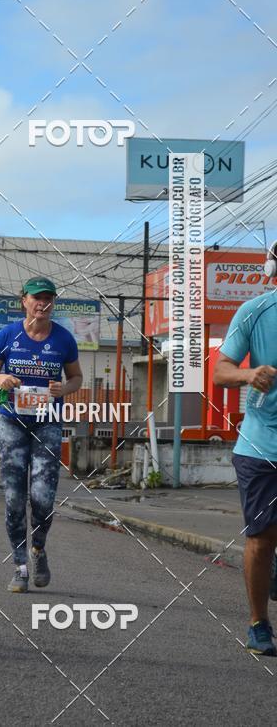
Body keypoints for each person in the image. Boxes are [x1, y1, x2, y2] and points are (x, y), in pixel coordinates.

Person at [0, 277, 83, 592]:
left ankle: (38, 547)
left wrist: (64, 387)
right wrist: (1, 379)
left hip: (47, 421)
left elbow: (76, 377)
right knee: (14, 498)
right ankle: (20, 565)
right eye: (37, 298)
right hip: (12, 421)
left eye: (49, 299)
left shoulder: (64, 339)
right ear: (24, 300)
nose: (43, 304)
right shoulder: (8, 335)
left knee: (42, 496)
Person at [214, 242, 277, 655]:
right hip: (261, 445)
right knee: (263, 536)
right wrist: (249, 373)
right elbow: (220, 371)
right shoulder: (254, 311)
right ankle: (258, 624)